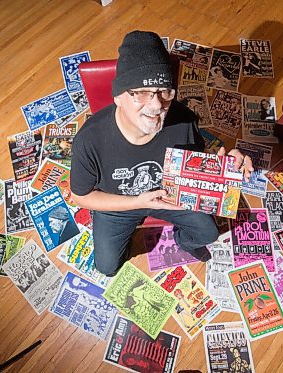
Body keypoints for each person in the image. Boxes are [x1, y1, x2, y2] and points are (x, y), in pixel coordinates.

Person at [70, 30, 253, 276]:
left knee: (208, 233)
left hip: (170, 194)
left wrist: (224, 167)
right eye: (142, 92)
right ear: (119, 96)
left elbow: (194, 166)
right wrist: (136, 202)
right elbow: (80, 196)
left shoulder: (184, 120)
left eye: (164, 91)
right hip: (120, 205)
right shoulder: (88, 140)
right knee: (107, 267)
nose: (157, 105)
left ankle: (182, 240)